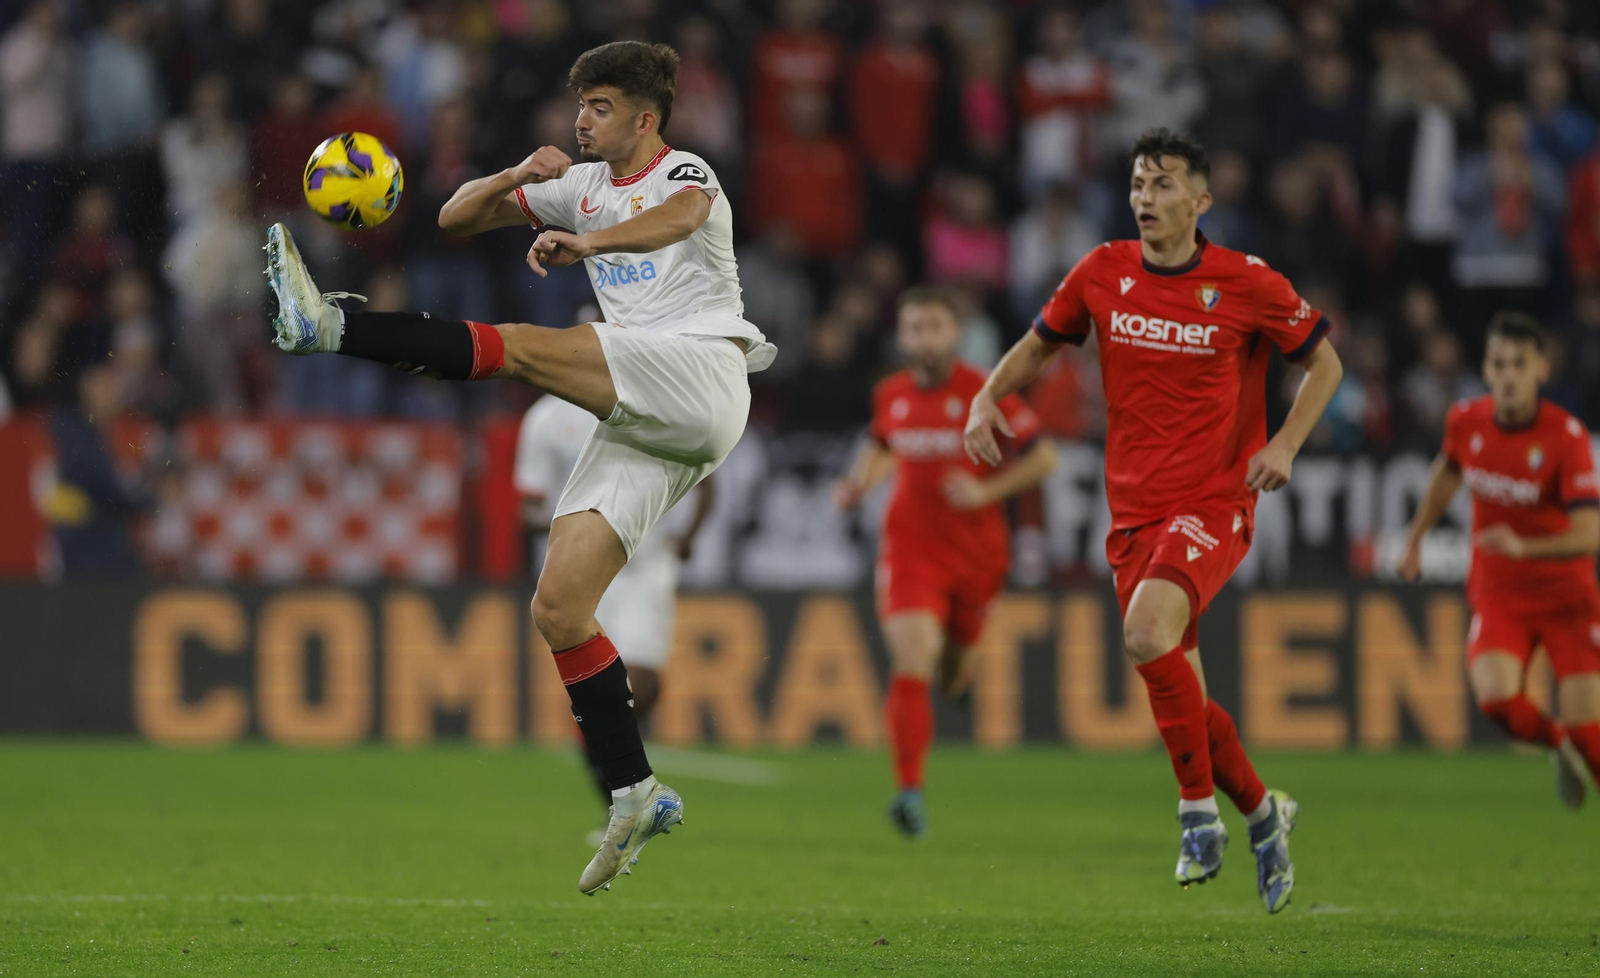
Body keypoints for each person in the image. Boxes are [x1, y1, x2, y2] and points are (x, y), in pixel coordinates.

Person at [261, 40, 776, 894]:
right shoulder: (579, 184)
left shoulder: (685, 171)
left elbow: (682, 220)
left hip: (700, 372)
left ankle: (330, 328)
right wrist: (512, 177)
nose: (582, 120)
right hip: (648, 415)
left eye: (601, 107)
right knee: (559, 607)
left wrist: (588, 240)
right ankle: (634, 790)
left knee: (529, 350)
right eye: (580, 105)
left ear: (645, 119)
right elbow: (454, 220)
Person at [964, 129, 1344, 913]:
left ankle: (1197, 816)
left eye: (1163, 184)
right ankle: (1264, 814)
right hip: (1133, 511)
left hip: (1214, 501)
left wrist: (1284, 443)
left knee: (1143, 635)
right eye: (1139, 183)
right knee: (1184, 697)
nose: (1146, 196)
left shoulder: (1247, 281)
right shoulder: (1102, 271)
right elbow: (1039, 345)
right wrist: (986, 396)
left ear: (1201, 200)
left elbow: (1325, 363)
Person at [835, 285, 1055, 838]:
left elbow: (1044, 458)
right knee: (912, 657)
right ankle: (908, 792)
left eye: (934, 327)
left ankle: (960, 676)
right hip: (910, 549)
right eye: (914, 328)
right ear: (901, 335)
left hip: (977, 555)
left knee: (952, 677)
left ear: (955, 333)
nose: (924, 339)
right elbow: (885, 444)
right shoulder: (891, 393)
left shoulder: (986, 389)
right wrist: (859, 484)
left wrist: (985, 493)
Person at [1399, 313, 1600, 809]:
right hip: (1501, 592)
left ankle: (1573, 742)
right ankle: (1556, 744)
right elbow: (1448, 471)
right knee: (1496, 700)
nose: (1509, 375)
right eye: (1499, 364)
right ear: (1486, 370)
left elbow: (1590, 534)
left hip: (1567, 598)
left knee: (1591, 734)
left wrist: (1524, 546)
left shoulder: (1566, 437)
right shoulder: (1465, 421)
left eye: (1519, 364)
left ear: (1542, 370)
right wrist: (1416, 536)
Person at [514, 391, 715, 839]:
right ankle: (621, 806)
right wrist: (582, 525)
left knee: (641, 687)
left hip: (646, 566)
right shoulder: (545, 418)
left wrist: (689, 535)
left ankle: (622, 786)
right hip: (581, 568)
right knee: (599, 689)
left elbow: (706, 477)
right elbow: (527, 508)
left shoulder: (651, 395)